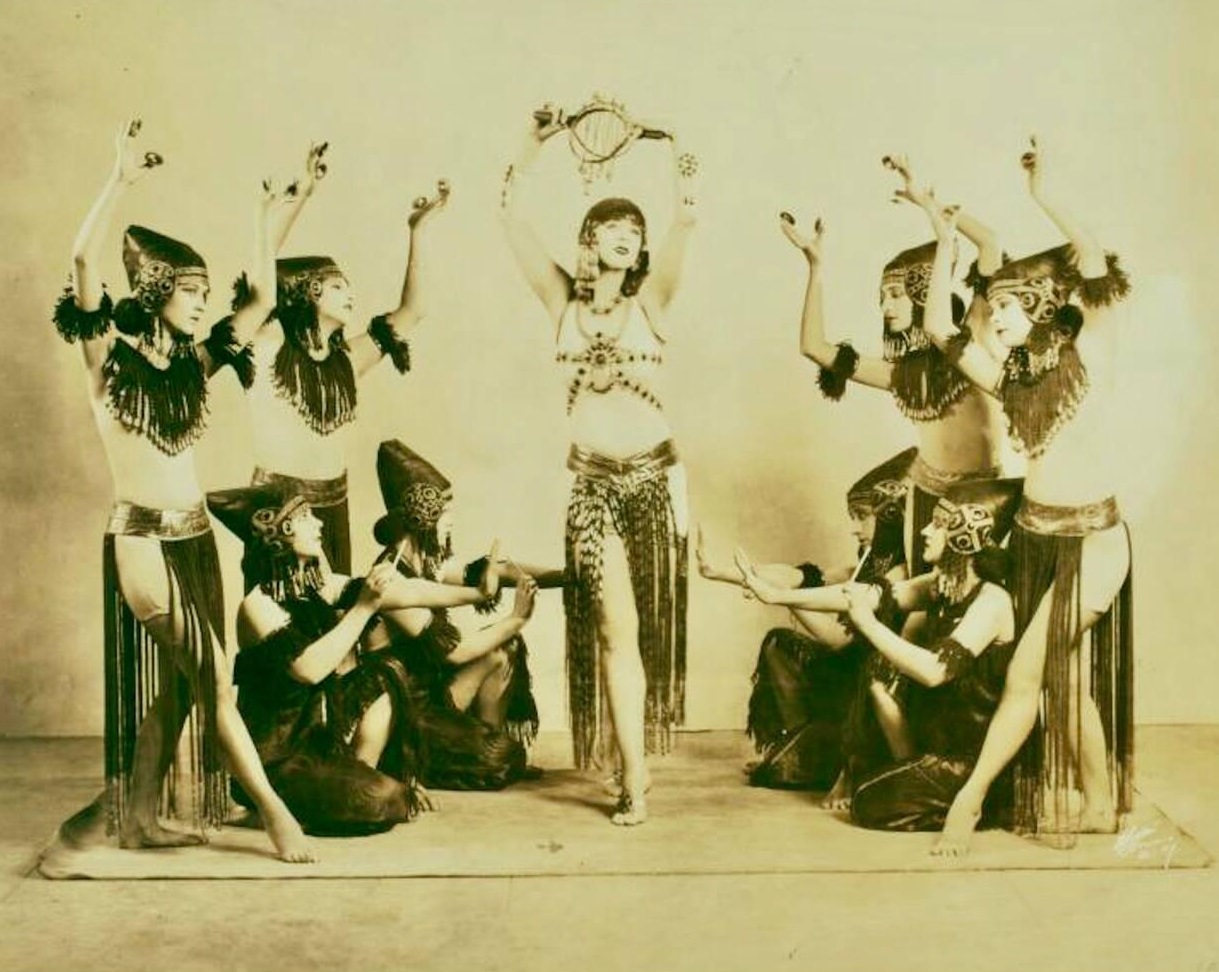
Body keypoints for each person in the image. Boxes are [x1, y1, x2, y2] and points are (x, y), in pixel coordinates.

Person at [46, 119, 312, 863]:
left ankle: (138, 816)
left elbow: (259, 299)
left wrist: (266, 220)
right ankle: (275, 814)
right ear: (157, 290)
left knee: (185, 686)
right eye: (190, 292)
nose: (201, 303)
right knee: (215, 683)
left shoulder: (194, 364)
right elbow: (78, 258)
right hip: (140, 543)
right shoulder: (107, 362)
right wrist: (119, 181)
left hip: (198, 539)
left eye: (203, 292)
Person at [904, 136, 1133, 855]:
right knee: (1059, 680)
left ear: (1041, 310)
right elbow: (940, 328)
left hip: (1092, 542)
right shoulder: (1011, 383)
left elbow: (1089, 257)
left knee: (1028, 674)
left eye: (1005, 309)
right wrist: (941, 235)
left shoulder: (1088, 350)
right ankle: (1097, 803)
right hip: (1034, 536)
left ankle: (965, 806)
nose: (993, 320)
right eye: (992, 309)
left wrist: (1044, 192)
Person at [501, 106, 698, 824]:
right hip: (591, 488)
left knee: (644, 632)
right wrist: (535, 144)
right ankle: (633, 779)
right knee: (614, 631)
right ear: (588, 240)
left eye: (634, 231)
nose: (628, 236)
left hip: (655, 482)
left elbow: (686, 220)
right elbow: (510, 218)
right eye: (614, 227)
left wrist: (675, 143)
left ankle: (636, 766)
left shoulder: (654, 300)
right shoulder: (560, 301)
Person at [213, 142, 450, 584]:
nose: (351, 294)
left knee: (336, 629)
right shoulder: (266, 342)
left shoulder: (346, 358)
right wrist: (297, 198)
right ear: (308, 292)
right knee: (284, 631)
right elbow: (258, 283)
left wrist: (419, 231)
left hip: (333, 508)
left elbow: (412, 312)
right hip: (278, 512)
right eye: (338, 285)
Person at [782, 158, 1006, 576]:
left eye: (896, 295)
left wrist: (931, 204)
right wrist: (815, 268)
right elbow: (814, 347)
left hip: (983, 502)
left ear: (922, 292)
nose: (885, 307)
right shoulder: (902, 374)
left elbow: (990, 245)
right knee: (912, 618)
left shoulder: (972, 343)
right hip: (923, 500)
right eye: (882, 297)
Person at [696, 448, 915, 795]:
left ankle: (844, 766)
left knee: (867, 673)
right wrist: (723, 572)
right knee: (779, 644)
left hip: (865, 684)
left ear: (889, 516)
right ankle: (799, 747)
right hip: (844, 674)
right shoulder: (870, 558)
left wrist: (778, 596)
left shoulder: (899, 572)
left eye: (861, 516)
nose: (854, 528)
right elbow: (802, 576)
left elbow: (838, 639)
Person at [367, 440, 561, 788]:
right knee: (501, 759)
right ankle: (428, 762)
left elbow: (493, 571)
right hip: (406, 712)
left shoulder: (428, 563)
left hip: (435, 693)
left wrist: (565, 577)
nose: (451, 521)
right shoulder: (392, 578)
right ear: (421, 519)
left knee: (505, 650)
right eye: (445, 513)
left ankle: (488, 737)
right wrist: (515, 618)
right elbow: (452, 652)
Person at [848, 479, 1022, 833]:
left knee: (866, 801)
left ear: (965, 536)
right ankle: (914, 768)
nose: (925, 531)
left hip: (969, 761)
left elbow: (933, 672)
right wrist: (775, 594)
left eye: (939, 524)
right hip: (942, 746)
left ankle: (976, 804)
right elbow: (865, 595)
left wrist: (868, 625)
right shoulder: (945, 584)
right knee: (879, 676)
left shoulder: (992, 601)